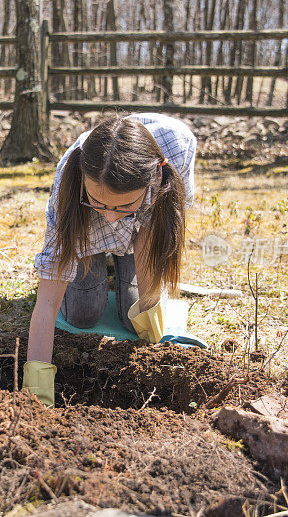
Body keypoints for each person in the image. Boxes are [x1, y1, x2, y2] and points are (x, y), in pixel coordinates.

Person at [23, 113, 197, 407]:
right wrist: (36, 393)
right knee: (84, 312)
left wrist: (152, 337)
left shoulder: (177, 151)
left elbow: (149, 235)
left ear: (153, 179)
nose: (112, 216)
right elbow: (48, 301)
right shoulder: (69, 185)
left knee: (135, 320)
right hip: (86, 229)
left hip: (141, 230)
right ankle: (101, 257)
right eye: (100, 202)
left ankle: (121, 256)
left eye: (124, 205)